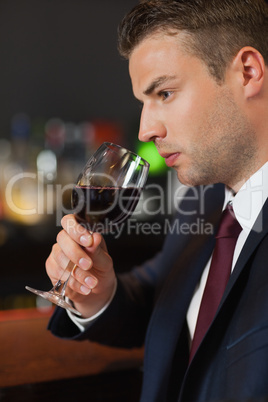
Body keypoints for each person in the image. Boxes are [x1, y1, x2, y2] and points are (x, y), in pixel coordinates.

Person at [47, 0, 268, 400]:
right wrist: (98, 294)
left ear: (248, 72)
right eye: (143, 102)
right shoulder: (204, 202)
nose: (146, 129)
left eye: (164, 92)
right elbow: (157, 297)